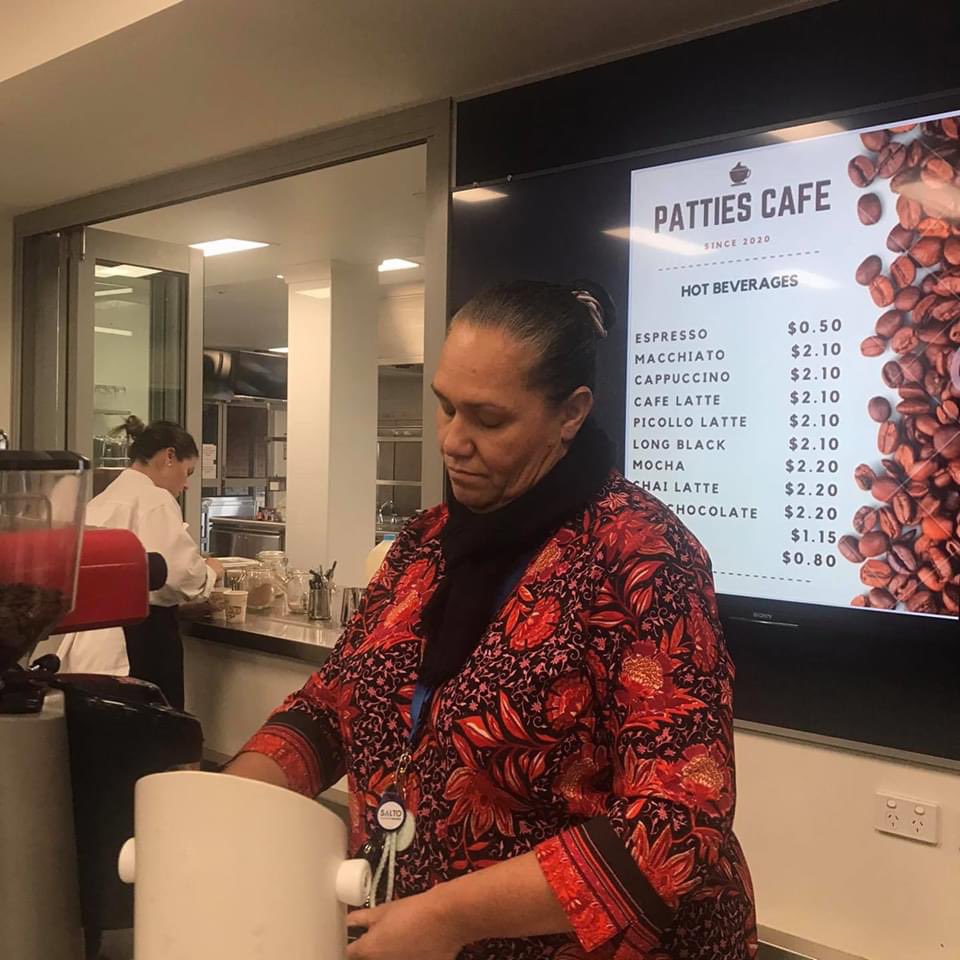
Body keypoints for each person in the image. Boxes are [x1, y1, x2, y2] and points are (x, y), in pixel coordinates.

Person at [226, 280, 757, 960]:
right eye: (446, 408)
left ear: (570, 413)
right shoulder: (426, 544)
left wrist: (449, 918)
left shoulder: (642, 559)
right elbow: (333, 706)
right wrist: (226, 807)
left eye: (488, 419)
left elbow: (676, 825)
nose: (452, 441)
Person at [57, 418, 223, 709]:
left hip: (88, 645)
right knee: (156, 741)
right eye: (187, 472)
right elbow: (181, 576)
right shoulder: (154, 499)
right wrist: (211, 572)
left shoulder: (103, 500)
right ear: (168, 456)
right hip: (138, 644)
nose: (185, 484)